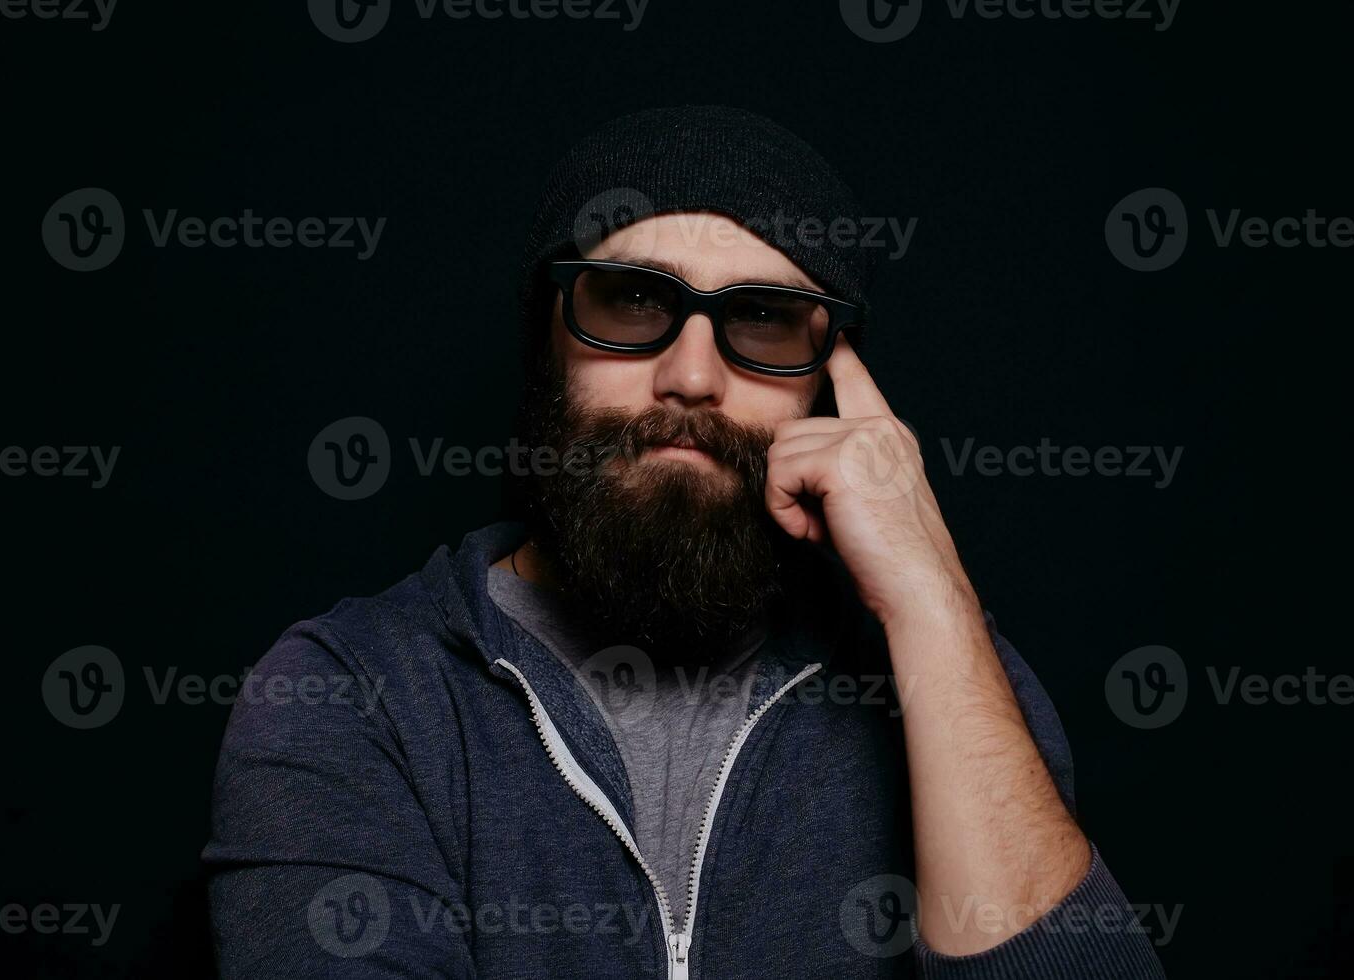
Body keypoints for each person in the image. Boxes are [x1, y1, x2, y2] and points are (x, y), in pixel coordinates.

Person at [202, 104, 1165, 978]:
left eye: (764, 320)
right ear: (549, 339)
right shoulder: (350, 697)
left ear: (831, 382)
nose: (692, 376)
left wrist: (930, 594)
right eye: (630, 302)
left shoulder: (948, 681)